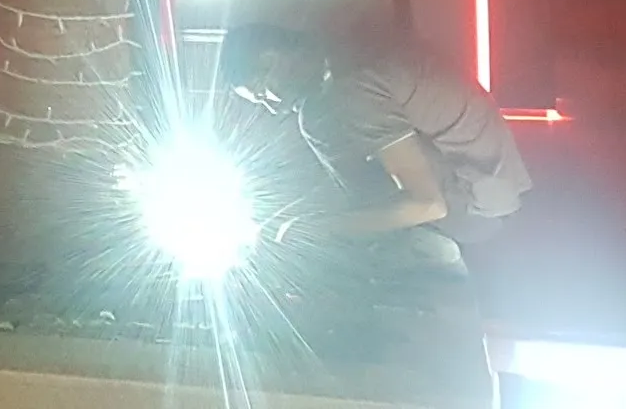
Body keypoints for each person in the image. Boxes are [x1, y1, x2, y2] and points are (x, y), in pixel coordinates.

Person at [218, 23, 531, 268]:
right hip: (495, 189)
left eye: (263, 94)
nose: (273, 108)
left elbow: (427, 204)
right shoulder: (346, 49)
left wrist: (317, 230)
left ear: (271, 60)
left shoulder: (347, 89)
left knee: (317, 124)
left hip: (476, 214)